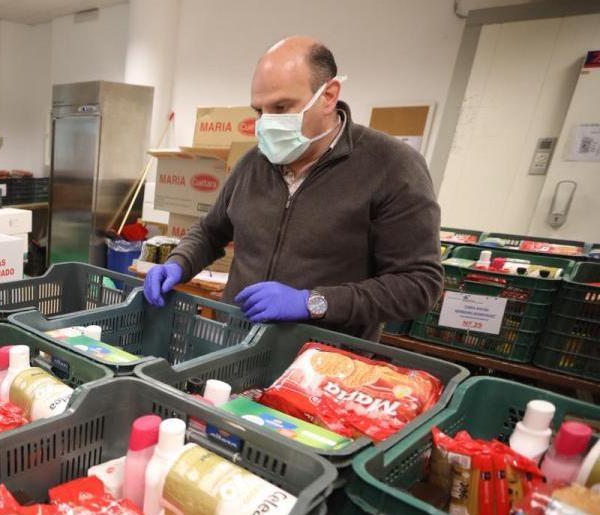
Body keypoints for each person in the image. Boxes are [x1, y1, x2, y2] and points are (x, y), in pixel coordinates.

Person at [144, 36, 442, 340]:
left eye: (282, 106)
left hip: (320, 366)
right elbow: (211, 231)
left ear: (328, 96)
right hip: (235, 345)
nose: (267, 122)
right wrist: (178, 263)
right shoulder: (252, 163)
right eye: (260, 111)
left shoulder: (391, 166)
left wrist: (312, 302)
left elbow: (419, 284)